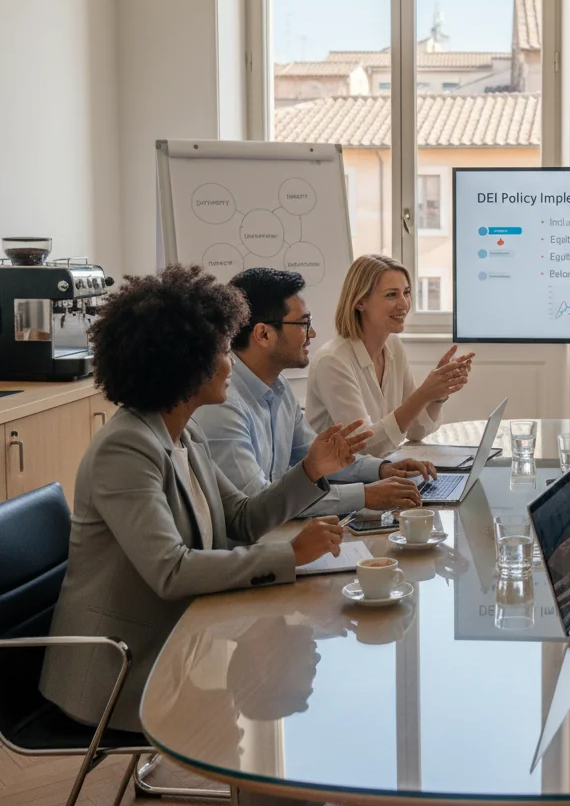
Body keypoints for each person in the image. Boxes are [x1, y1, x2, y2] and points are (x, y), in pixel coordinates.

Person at [38, 265, 364, 734]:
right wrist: (290, 554)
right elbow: (171, 571)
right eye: (220, 349)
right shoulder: (126, 448)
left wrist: (311, 469)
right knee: (281, 680)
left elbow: (242, 517)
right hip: (123, 671)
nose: (231, 360)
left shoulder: (183, 433)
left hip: (178, 642)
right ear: (184, 362)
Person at [194, 268, 434, 515]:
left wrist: (382, 469)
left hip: (274, 532)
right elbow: (258, 502)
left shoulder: (278, 388)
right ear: (264, 334)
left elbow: (319, 457)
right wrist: (364, 495)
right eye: (303, 323)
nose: (312, 334)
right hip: (248, 546)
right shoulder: (223, 404)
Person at [306, 254, 475, 457]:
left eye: (406, 292)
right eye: (391, 295)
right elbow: (365, 447)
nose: (404, 304)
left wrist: (437, 395)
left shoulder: (393, 346)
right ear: (360, 302)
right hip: (343, 482)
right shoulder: (332, 361)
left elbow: (416, 430)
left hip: (381, 472)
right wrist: (423, 393)